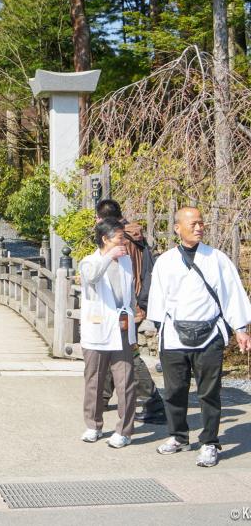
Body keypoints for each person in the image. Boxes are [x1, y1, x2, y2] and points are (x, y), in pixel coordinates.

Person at [148, 206, 251, 467]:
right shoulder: (165, 261)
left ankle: (209, 442)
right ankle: (178, 436)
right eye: (192, 223)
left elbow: (232, 294)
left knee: (209, 392)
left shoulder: (217, 258)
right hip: (173, 334)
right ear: (177, 228)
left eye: (201, 223)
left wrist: (240, 329)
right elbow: (158, 299)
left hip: (209, 334)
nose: (198, 227)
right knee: (174, 390)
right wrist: (160, 328)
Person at [95, 199, 166, 424]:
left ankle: (153, 403)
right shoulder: (135, 236)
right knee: (111, 349)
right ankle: (102, 397)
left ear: (102, 219)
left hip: (125, 306)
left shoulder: (121, 240)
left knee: (129, 355)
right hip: (132, 304)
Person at [79, 217, 137, 449]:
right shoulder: (89, 261)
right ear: (105, 239)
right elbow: (92, 277)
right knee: (94, 379)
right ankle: (93, 425)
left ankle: (124, 430)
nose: (124, 242)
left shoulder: (126, 261)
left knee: (125, 380)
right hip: (98, 329)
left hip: (121, 328)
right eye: (120, 238)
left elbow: (131, 290)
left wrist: (133, 311)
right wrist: (108, 257)